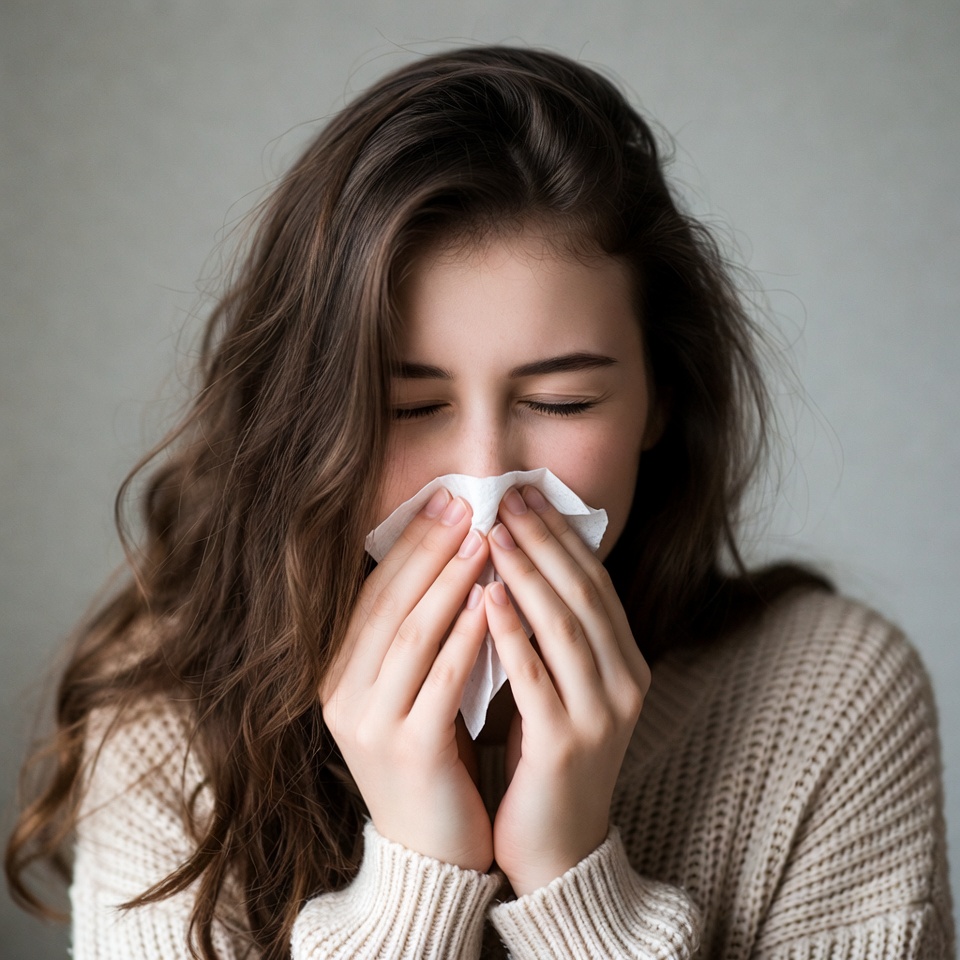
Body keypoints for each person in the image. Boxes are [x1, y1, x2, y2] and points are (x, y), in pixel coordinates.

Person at [5, 46, 954, 960]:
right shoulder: (172, 713)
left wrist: (572, 883)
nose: (484, 480)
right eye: (408, 406)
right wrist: (419, 874)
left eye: (560, 402)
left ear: (661, 396)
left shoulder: (832, 696)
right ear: (310, 415)